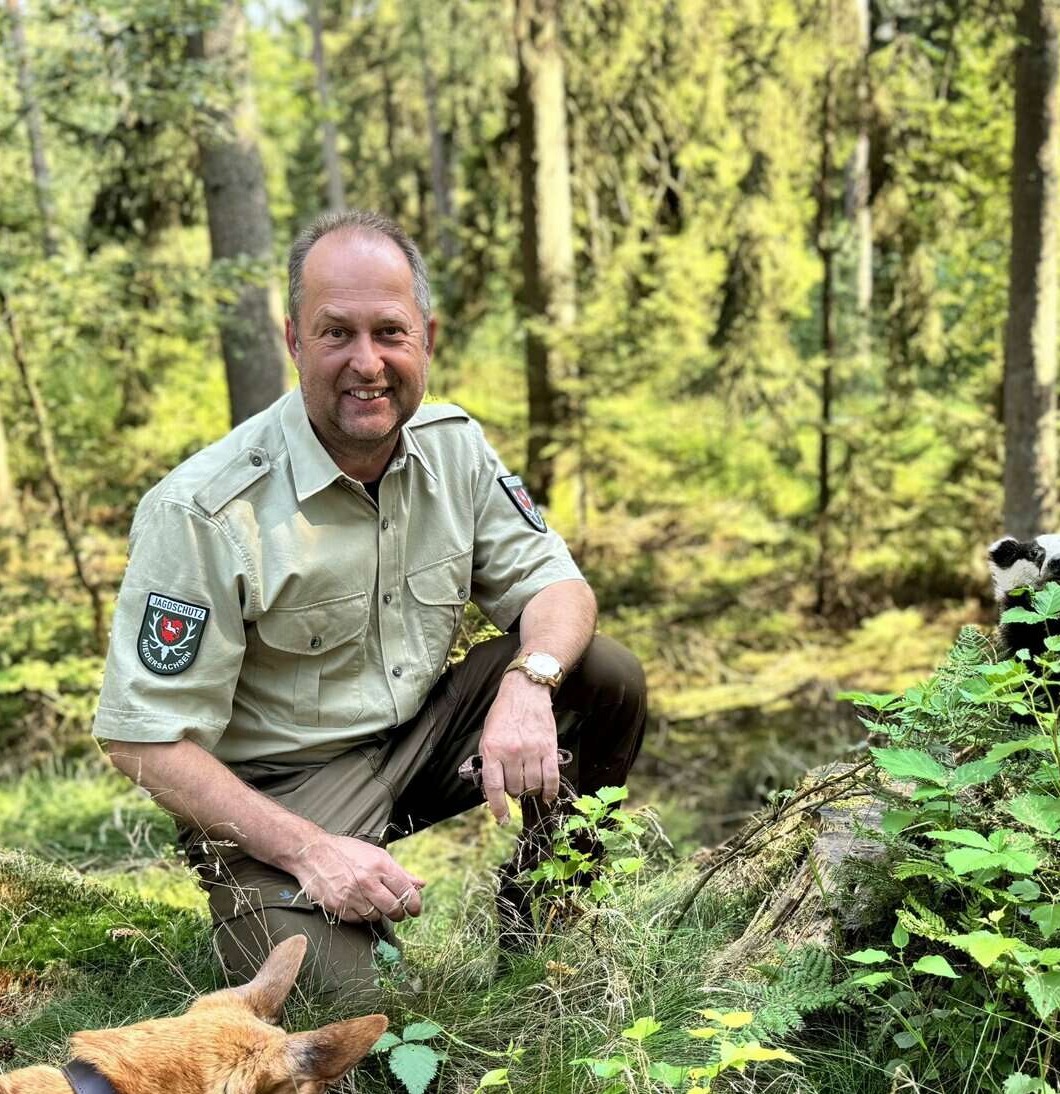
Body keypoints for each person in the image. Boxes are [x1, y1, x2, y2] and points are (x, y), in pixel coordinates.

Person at [94, 209, 646, 994]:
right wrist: (309, 849)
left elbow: (555, 583)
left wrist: (531, 680)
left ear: (428, 336)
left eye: (389, 332)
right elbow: (140, 740)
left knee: (603, 676)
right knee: (362, 1032)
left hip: (420, 737)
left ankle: (545, 944)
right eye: (335, 334)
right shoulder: (206, 509)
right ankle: (307, 916)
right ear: (293, 341)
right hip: (278, 792)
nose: (367, 363)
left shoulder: (454, 448)